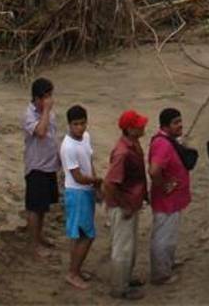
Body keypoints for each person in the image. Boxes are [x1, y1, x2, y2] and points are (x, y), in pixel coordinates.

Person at [103, 110, 149, 301]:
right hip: (123, 205)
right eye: (139, 124)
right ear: (130, 129)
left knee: (128, 246)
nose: (143, 126)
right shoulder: (123, 152)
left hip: (129, 202)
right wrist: (124, 205)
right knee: (122, 248)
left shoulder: (131, 145)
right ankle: (119, 288)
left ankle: (125, 280)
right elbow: (110, 183)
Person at [147, 108, 191, 285]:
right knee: (163, 236)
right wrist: (163, 185)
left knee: (169, 234)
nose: (180, 125)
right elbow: (154, 170)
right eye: (175, 123)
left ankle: (168, 263)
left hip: (172, 199)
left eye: (180, 121)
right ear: (165, 126)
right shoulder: (163, 144)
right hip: (166, 199)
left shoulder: (168, 141)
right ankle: (161, 274)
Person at [60, 104, 99, 291]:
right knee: (86, 235)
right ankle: (72, 273)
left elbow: (89, 161)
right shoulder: (68, 147)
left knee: (81, 234)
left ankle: (76, 269)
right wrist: (97, 181)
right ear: (69, 125)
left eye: (83, 123)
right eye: (76, 124)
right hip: (77, 193)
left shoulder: (86, 138)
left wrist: (94, 181)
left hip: (86, 190)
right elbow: (77, 177)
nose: (80, 128)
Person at [22, 77, 59, 258]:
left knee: (43, 206)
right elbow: (41, 132)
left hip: (49, 165)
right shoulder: (30, 114)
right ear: (37, 99)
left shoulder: (49, 114)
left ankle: (39, 235)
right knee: (35, 207)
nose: (49, 100)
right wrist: (45, 111)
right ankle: (33, 244)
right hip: (36, 167)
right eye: (46, 97)